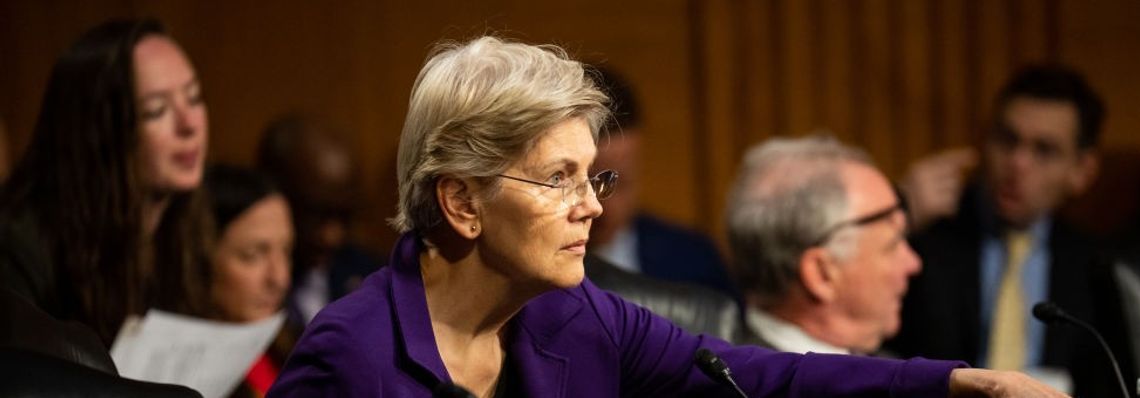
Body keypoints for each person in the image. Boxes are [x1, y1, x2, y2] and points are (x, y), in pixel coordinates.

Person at [269, 36, 1069, 398]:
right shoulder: (352, 358)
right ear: (462, 202)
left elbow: (768, 374)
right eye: (558, 179)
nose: (592, 205)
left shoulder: (575, 316)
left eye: (594, 175)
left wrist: (960, 386)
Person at [890, 65, 1127, 396]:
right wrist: (898, 215)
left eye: (1044, 150)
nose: (1018, 164)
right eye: (1007, 139)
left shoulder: (1098, 266)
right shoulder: (926, 240)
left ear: (1082, 172)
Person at [0, 18, 209, 346]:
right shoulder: (20, 248)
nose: (189, 125)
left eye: (194, 97)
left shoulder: (187, 224)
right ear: (99, 133)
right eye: (157, 110)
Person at [726, 136, 921, 356]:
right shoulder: (740, 386)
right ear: (822, 274)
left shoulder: (893, 372)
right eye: (892, 245)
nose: (914, 264)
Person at [587, 67, 738, 298]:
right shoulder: (526, 270)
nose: (603, 207)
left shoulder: (693, 259)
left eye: (622, 183)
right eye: (587, 183)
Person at [257, 115, 381, 325]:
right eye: (315, 215)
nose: (331, 236)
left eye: (344, 215)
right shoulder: (250, 283)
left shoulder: (372, 277)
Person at [203, 164, 296, 397]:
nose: (280, 278)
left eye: (286, 251)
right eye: (252, 255)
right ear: (202, 257)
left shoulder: (295, 346)